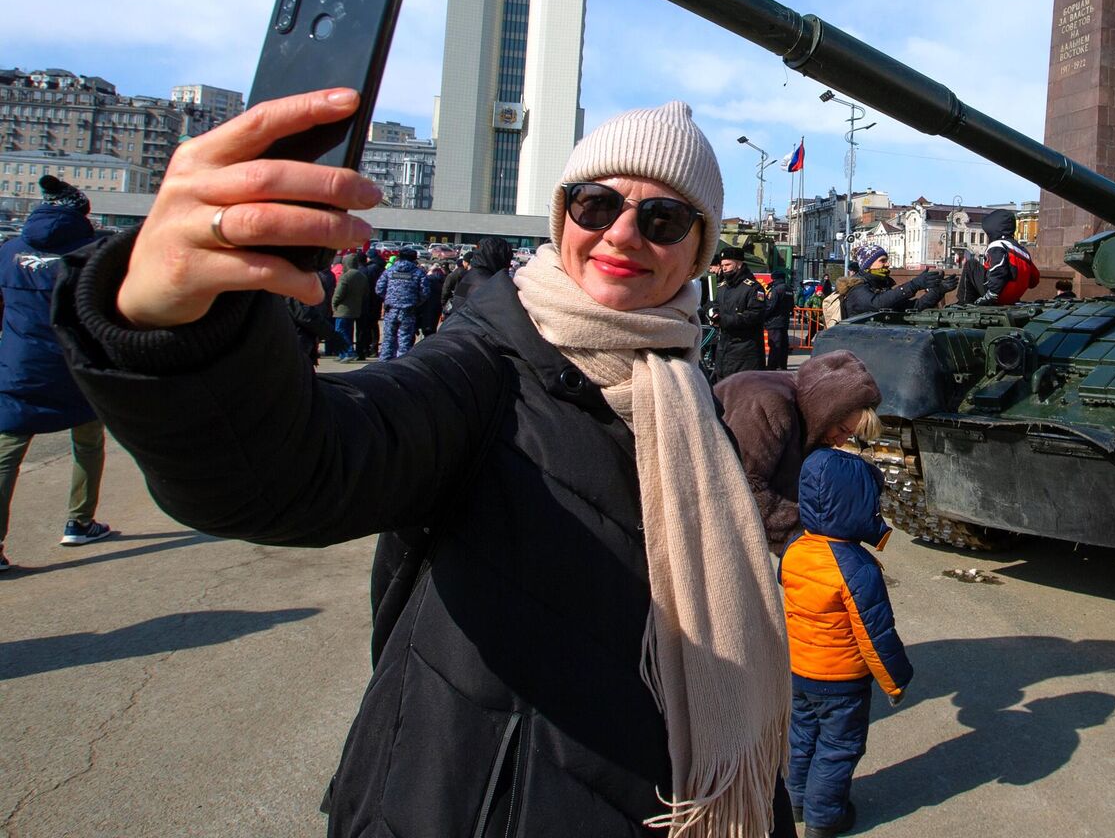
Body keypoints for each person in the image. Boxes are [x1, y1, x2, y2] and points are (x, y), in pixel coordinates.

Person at [47, 92, 795, 835]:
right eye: (596, 205)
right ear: (563, 216)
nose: (623, 234)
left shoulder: (687, 395)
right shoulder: (483, 364)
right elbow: (295, 472)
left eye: (663, 220)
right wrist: (173, 326)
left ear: (696, 249)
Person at [780, 450, 912, 837]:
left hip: (800, 671)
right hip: (842, 684)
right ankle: (825, 819)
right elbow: (876, 635)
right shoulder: (857, 568)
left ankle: (797, 802)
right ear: (858, 506)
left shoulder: (794, 550)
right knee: (838, 749)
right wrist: (896, 680)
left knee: (803, 737)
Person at [1, 176, 113, 571]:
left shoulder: (10, 250)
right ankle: (79, 521)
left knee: (7, 454)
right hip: (78, 363)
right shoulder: (95, 250)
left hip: (20, 366)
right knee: (87, 443)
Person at [716, 349, 882, 551]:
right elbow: (747, 487)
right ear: (827, 412)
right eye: (841, 430)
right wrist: (805, 542)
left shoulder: (808, 413)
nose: (840, 442)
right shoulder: (770, 406)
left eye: (849, 436)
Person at [710, 247, 771, 382]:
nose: (724, 268)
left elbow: (755, 315)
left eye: (728, 265)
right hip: (724, 351)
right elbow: (716, 306)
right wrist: (714, 315)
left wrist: (726, 320)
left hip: (745, 353)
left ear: (739, 264)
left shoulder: (753, 288)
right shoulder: (722, 287)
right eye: (722, 265)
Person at [842, 247, 943, 317]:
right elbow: (877, 304)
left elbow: (912, 307)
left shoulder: (881, 285)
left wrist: (938, 292)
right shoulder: (857, 287)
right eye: (883, 260)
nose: (888, 264)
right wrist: (913, 285)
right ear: (868, 265)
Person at [974, 210, 1039, 305]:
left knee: (971, 265)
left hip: (997, 295)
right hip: (1013, 298)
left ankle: (964, 301)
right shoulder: (1023, 251)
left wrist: (992, 294)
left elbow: (998, 270)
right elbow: (1034, 280)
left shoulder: (997, 245)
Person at [374, 247, 426, 360]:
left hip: (390, 309)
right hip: (408, 310)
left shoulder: (389, 271)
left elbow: (379, 289)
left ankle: (383, 364)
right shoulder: (418, 273)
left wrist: (389, 298)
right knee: (404, 341)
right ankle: (400, 367)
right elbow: (425, 292)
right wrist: (415, 302)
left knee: (388, 340)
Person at [444, 236, 513, 319]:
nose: (509, 265)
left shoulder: (468, 277)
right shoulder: (493, 284)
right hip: (473, 329)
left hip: (454, 325)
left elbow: (458, 302)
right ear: (500, 258)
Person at [330, 251, 369, 361]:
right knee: (348, 331)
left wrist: (333, 304)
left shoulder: (345, 276)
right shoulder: (362, 276)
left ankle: (348, 352)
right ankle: (343, 354)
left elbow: (339, 293)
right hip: (356, 309)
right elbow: (366, 293)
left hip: (343, 309)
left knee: (340, 330)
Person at [763, 270, 795, 373]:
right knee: (783, 345)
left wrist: (763, 318)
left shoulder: (776, 290)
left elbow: (770, 306)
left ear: (774, 278)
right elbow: (791, 306)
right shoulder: (789, 289)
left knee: (775, 345)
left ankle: (772, 366)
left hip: (774, 321)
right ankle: (782, 365)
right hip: (784, 321)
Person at [417, 260, 445, 340]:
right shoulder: (442, 282)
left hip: (425, 306)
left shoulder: (427, 281)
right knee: (432, 327)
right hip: (436, 307)